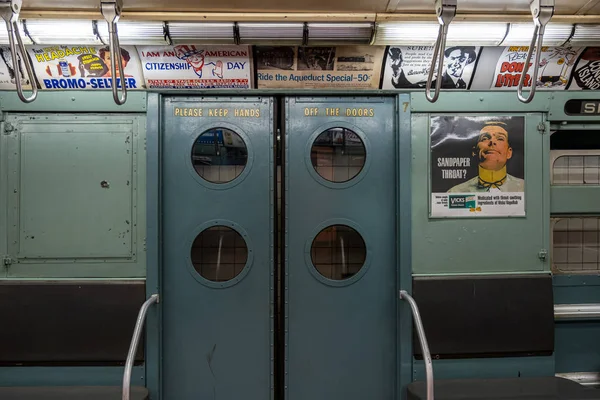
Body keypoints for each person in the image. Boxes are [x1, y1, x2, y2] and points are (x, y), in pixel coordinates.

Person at [448, 121, 524, 193]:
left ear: (509, 152)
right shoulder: (456, 192)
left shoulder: (525, 188)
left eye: (500, 138)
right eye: (485, 138)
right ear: (475, 152)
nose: (492, 142)